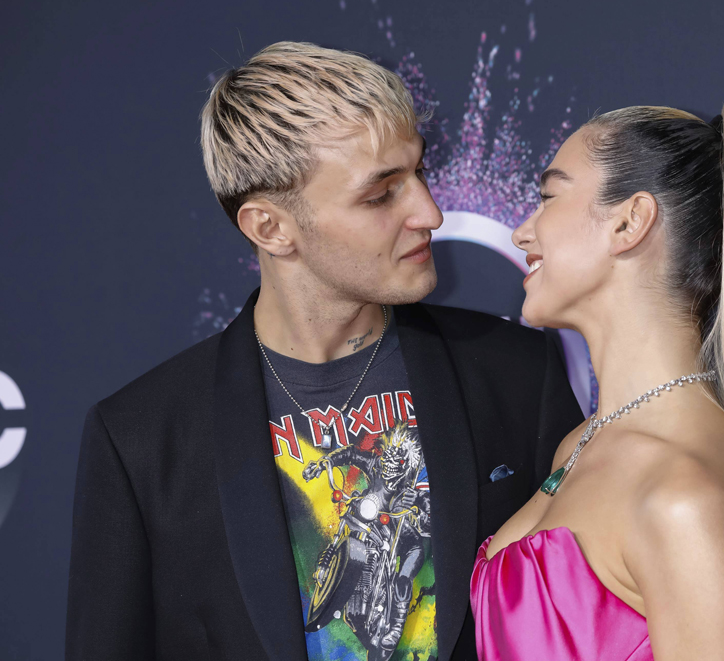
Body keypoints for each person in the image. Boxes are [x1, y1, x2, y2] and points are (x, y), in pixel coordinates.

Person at [65, 42, 583, 661]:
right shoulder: (143, 439)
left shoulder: (515, 372)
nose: (430, 212)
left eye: (419, 172)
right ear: (270, 228)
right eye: (380, 194)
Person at [471, 87, 724, 660]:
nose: (522, 232)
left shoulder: (683, 494)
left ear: (630, 222)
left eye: (549, 197)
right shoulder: (580, 445)